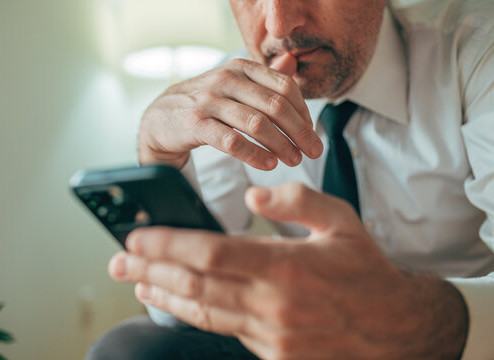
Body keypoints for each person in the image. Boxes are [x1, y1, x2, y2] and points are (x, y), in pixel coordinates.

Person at [86, 0, 494, 359]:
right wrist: (160, 161)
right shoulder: (225, 100)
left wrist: (415, 322)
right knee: (130, 349)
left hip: (455, 345)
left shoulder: (478, 50)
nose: (279, 25)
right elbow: (179, 313)